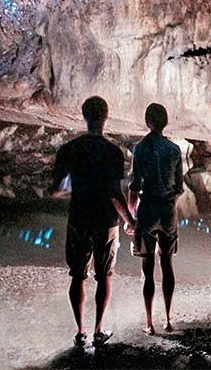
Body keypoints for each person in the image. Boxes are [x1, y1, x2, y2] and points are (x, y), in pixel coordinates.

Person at [51, 96, 133, 348]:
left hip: (79, 217)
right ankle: (98, 330)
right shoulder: (112, 152)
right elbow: (114, 192)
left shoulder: (68, 150)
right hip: (106, 221)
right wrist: (130, 220)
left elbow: (56, 190)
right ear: (105, 118)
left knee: (78, 276)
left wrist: (76, 188)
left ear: (84, 116)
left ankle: (80, 332)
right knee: (105, 275)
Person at [127, 102, 186, 335]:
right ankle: (169, 320)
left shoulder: (140, 148)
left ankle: (150, 323)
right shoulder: (174, 150)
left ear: (147, 122)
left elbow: (134, 186)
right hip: (167, 209)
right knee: (167, 264)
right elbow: (179, 187)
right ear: (165, 122)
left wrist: (131, 216)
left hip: (148, 208)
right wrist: (171, 206)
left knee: (148, 265)